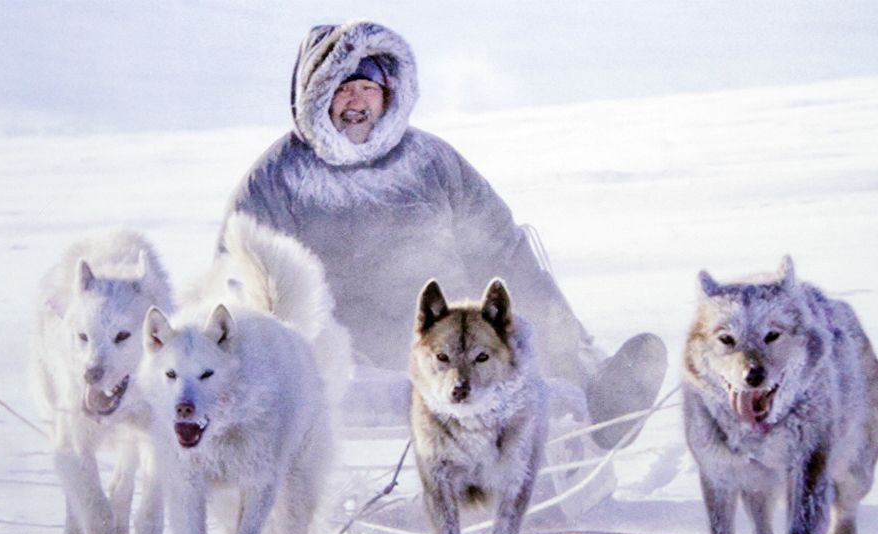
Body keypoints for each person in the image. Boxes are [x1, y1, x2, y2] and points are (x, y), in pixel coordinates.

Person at [222, 20, 667, 449]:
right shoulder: (276, 180)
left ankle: (595, 400)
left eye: (367, 87)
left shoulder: (431, 161)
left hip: (457, 335)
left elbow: (501, 248)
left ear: (388, 94)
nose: (355, 99)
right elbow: (244, 283)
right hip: (352, 356)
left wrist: (559, 339)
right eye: (341, 88)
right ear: (315, 97)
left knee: (523, 328)